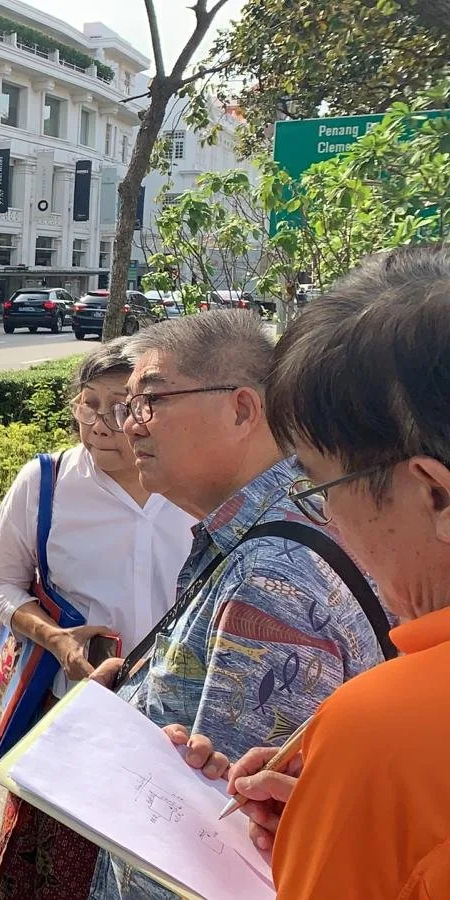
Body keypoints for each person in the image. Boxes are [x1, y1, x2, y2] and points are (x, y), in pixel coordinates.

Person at [84, 310, 392, 900]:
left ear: (244, 410)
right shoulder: (284, 522)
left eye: (150, 401)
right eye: (125, 407)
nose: (130, 427)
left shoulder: (270, 578)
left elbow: (220, 846)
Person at [224, 246, 450, 898]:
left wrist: (357, 803)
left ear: (433, 495)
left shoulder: (383, 735)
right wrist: (340, 824)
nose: (326, 519)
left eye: (322, 486)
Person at [0, 340, 196, 899]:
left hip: (178, 728)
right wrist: (55, 639)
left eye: (122, 405)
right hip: (78, 715)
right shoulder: (47, 483)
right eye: (89, 403)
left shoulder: (192, 485)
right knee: (57, 873)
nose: (102, 423)